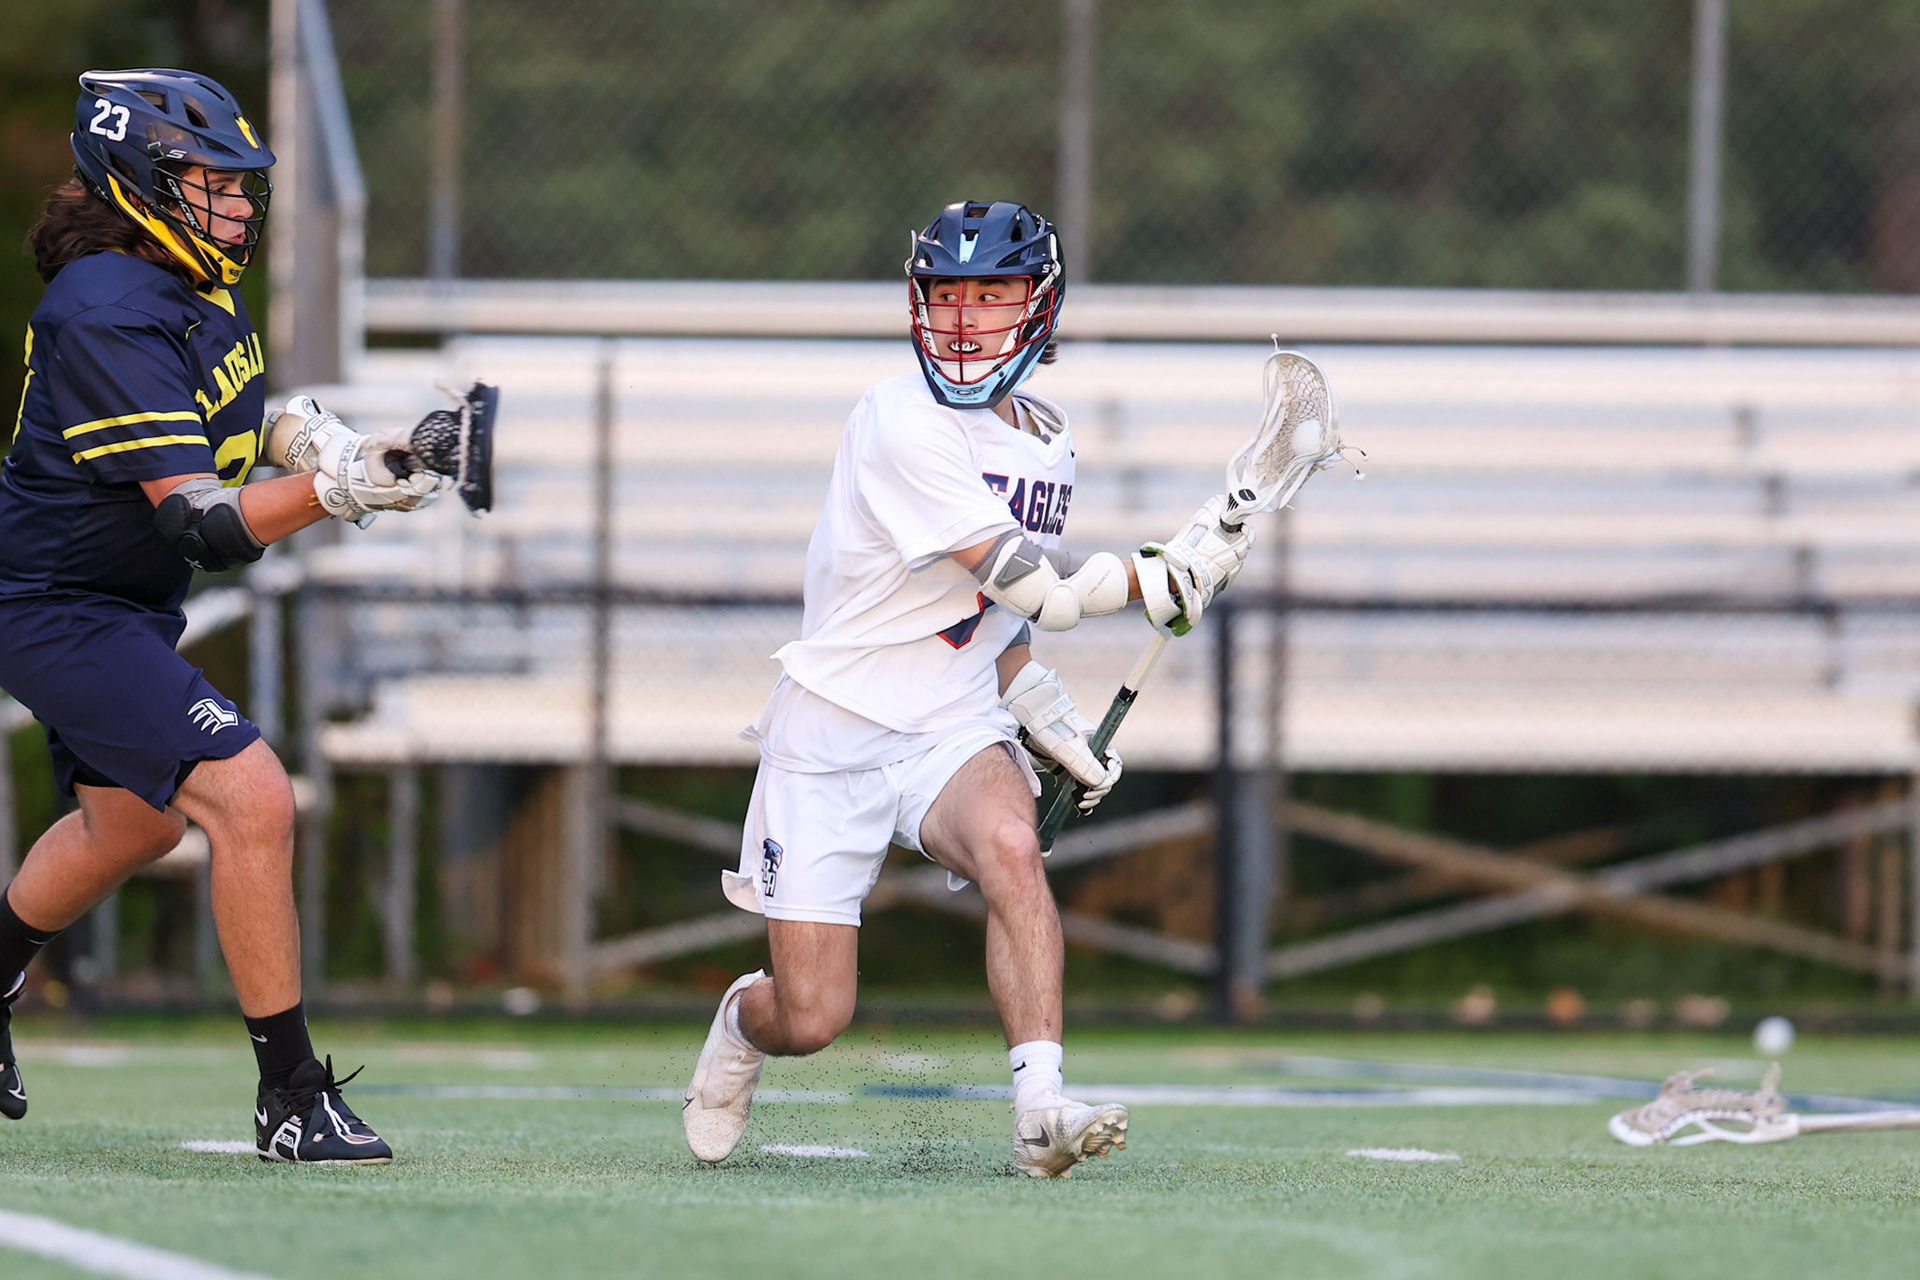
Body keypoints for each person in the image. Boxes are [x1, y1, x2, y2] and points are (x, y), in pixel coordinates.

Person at [683, 200, 1254, 1177]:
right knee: (813, 1014)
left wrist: (1044, 713)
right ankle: (743, 1020)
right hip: (833, 731)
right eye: (948, 293)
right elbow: (1035, 583)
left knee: (1010, 845)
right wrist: (1156, 576)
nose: (964, 317)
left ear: (1037, 305)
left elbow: (994, 620)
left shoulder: (1047, 434)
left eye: (991, 294)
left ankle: (1040, 1110)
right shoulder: (896, 418)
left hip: (948, 721)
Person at [0, 69, 448, 1163]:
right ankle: (291, 1094)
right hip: (59, 606)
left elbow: (242, 426)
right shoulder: (105, 303)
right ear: (142, 180)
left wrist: (335, 447)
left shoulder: (187, 285)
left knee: (134, 823)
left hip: (114, 604)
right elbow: (200, 519)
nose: (238, 203)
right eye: (212, 180)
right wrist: (341, 491)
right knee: (252, 796)